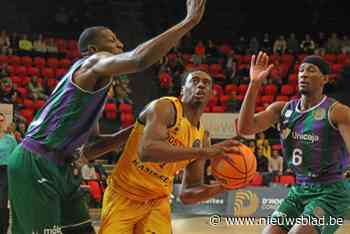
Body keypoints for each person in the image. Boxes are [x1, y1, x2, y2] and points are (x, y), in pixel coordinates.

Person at [7, 0, 207, 233]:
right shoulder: (92, 62)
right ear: (92, 50)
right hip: (37, 161)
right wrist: (187, 23)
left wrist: (134, 131)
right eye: (112, 40)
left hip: (63, 167)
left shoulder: (93, 92)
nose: (120, 43)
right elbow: (138, 59)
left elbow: (92, 147)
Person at [97, 70, 241, 234]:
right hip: (123, 195)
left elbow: (187, 194)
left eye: (206, 83)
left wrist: (224, 186)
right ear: (182, 90)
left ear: (211, 95)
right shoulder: (165, 107)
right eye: (194, 81)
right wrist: (202, 152)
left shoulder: (202, 137)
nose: (201, 84)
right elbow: (147, 151)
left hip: (157, 202)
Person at [238, 52, 350, 234]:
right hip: (299, 189)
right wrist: (254, 83)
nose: (303, 74)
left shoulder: (337, 112)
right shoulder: (282, 109)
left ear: (325, 79)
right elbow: (245, 128)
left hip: (332, 191)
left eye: (311, 71)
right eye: (301, 71)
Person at [0, 113, 17, 234]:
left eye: (1, 120)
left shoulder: (10, 139)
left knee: (2, 200)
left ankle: (3, 228)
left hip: (5, 170)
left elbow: (16, 156)